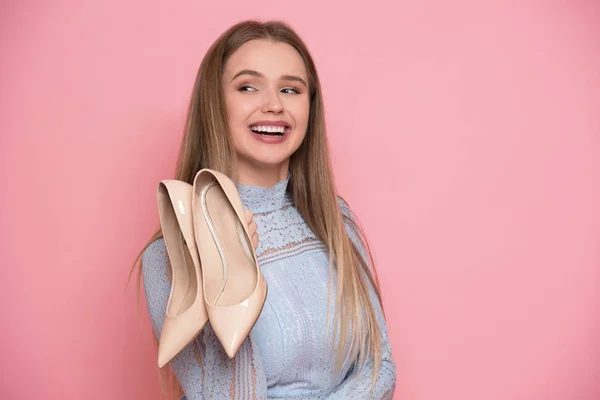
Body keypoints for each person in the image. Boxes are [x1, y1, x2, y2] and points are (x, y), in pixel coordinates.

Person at [132, 19, 396, 399]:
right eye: (248, 87)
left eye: (291, 89)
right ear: (215, 104)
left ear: (310, 107)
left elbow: (380, 367)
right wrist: (230, 280)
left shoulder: (335, 220)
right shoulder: (170, 256)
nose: (274, 105)